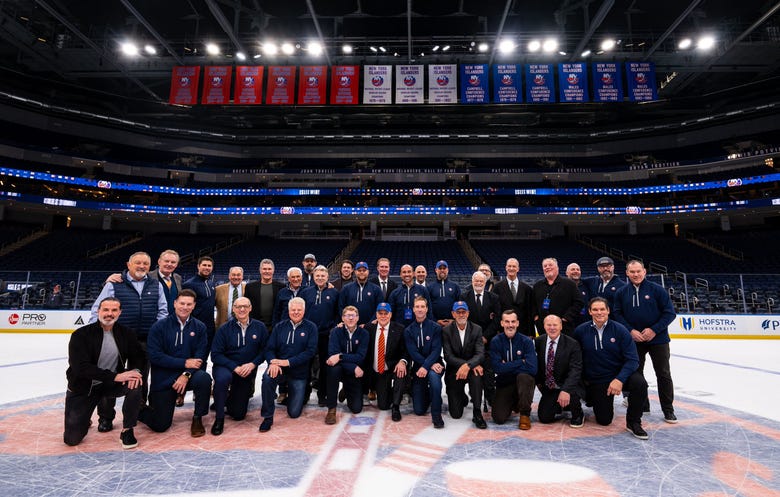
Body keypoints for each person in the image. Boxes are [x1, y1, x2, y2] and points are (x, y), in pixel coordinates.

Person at [89, 251, 167, 426]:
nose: (142, 266)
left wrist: (156, 333)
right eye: (138, 263)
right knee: (110, 376)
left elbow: (163, 311)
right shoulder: (114, 284)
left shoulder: (156, 285)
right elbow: (98, 309)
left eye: (145, 264)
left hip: (144, 340)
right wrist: (96, 334)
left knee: (140, 377)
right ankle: (106, 417)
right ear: (128, 264)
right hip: (115, 339)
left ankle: (138, 412)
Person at [63, 297, 145, 449]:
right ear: (98, 311)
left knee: (135, 384)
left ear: (120, 312)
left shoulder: (126, 333)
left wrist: (135, 371)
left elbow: (138, 356)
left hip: (111, 384)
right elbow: (80, 368)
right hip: (84, 387)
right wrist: (115, 376)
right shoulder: (81, 335)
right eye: (106, 309)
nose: (109, 313)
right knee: (71, 439)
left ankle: (127, 430)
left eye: (114, 310)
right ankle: (84, 419)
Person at [138, 289, 212, 437]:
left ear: (194, 306)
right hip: (164, 378)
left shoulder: (200, 327)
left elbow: (199, 357)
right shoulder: (159, 326)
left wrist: (186, 374)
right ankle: (138, 408)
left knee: (204, 378)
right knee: (160, 425)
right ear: (174, 303)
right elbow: (155, 356)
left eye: (189, 304)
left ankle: (198, 417)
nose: (185, 307)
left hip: (187, 376)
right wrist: (184, 363)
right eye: (182, 303)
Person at [574, 297, 649, 440]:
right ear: (589, 312)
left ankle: (633, 422)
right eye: (595, 309)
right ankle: (591, 398)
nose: (599, 312)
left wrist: (619, 379)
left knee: (640, 383)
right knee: (604, 420)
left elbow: (633, 360)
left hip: (619, 374)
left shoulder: (620, 330)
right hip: (599, 379)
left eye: (602, 309)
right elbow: (576, 358)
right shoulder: (581, 331)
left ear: (608, 310)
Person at [612, 260, 678, 423]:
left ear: (644, 272)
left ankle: (668, 410)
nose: (636, 274)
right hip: (634, 340)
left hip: (658, 339)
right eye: (632, 272)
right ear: (627, 273)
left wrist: (654, 330)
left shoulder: (657, 289)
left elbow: (670, 313)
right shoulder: (621, 292)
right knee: (636, 374)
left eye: (638, 271)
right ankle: (643, 405)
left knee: (663, 373)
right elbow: (617, 314)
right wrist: (630, 331)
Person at [210, 297, 269, 436]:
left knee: (238, 414)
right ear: (233, 309)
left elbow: (265, 350)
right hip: (226, 367)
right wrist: (234, 367)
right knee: (222, 379)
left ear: (250, 308)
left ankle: (225, 399)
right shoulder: (224, 329)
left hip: (246, 369)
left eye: (245, 306)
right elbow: (216, 355)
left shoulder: (260, 327)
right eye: (238, 307)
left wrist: (253, 364)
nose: (242, 309)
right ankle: (219, 418)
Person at [259, 297, 318, 432]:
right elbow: (269, 348)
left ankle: (295, 394)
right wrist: (273, 362)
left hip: (298, 372)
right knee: (267, 378)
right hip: (279, 368)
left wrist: (288, 362)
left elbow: (310, 352)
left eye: (299, 310)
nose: (296, 312)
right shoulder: (280, 327)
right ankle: (267, 417)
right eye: (293, 310)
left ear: (304, 311)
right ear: (289, 310)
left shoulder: (311, 327)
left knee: (294, 413)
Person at [442, 301, 486, 429]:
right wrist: (466, 365)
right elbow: (448, 356)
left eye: (463, 312)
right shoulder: (446, 330)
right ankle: (462, 396)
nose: (461, 315)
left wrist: (469, 366)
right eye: (458, 312)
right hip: (454, 371)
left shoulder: (476, 329)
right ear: (453, 314)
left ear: (468, 313)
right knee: (456, 414)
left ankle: (477, 412)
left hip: (471, 369)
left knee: (477, 375)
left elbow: (480, 353)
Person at [489, 309, 537, 429]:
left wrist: (506, 365)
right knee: (498, 418)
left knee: (524, 377)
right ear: (502, 323)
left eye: (513, 322)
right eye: (507, 321)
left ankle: (525, 414)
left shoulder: (526, 341)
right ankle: (514, 403)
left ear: (517, 323)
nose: (510, 325)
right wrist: (521, 362)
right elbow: (497, 368)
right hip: (505, 383)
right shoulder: (496, 341)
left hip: (523, 383)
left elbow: (532, 369)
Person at [300, 265, 340, 406]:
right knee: (306, 364)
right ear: (313, 277)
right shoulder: (306, 292)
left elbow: (338, 313)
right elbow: (300, 312)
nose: (320, 278)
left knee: (324, 366)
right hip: (309, 335)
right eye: (317, 276)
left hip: (326, 335)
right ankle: (304, 394)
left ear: (327, 277)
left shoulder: (334, 293)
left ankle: (322, 395)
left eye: (323, 276)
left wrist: (333, 328)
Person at [534, 314, 584, 427]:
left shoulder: (572, 344)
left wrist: (565, 390)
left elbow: (575, 370)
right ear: (544, 326)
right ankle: (557, 405)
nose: (552, 328)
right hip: (550, 386)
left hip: (568, 384)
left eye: (555, 325)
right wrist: (539, 383)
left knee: (572, 395)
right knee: (544, 418)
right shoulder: (538, 342)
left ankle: (578, 413)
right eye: (549, 325)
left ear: (561, 326)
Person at [461, 270, 501, 409]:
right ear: (472, 282)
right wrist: (476, 338)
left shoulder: (493, 297)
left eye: (481, 281)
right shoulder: (464, 297)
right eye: (476, 281)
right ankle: (473, 395)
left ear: (485, 282)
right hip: (470, 340)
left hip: (488, 340)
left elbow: (497, 319)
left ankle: (490, 397)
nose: (478, 283)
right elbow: (463, 319)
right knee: (473, 368)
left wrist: (486, 336)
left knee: (489, 370)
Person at [404, 296, 445, 429]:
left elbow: (436, 350)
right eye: (417, 307)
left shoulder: (435, 327)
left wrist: (428, 366)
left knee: (434, 379)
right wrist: (426, 365)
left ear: (427, 309)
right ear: (413, 309)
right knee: (419, 410)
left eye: (422, 306)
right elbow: (413, 353)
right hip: (418, 367)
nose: (420, 309)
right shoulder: (408, 330)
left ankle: (436, 415)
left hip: (436, 364)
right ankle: (428, 394)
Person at [362, 303, 408, 421]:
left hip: (391, 368)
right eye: (380, 313)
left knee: (401, 372)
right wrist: (341, 326)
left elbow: (405, 350)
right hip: (376, 371)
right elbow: (354, 330)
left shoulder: (399, 329)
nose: (383, 316)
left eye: (386, 313)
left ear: (390, 314)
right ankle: (387, 392)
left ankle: (396, 406)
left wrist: (402, 361)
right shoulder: (369, 328)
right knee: (383, 405)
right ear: (376, 315)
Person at [325, 306, 369, 424]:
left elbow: (360, 357)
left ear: (357, 318)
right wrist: (353, 366)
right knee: (333, 369)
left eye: (353, 315)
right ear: (343, 318)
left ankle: (346, 389)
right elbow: (332, 356)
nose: (350, 318)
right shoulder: (336, 332)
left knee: (356, 408)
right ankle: (331, 409)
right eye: (347, 316)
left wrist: (340, 357)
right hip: (345, 369)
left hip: (353, 373)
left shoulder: (364, 334)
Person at [105, 249, 182, 316]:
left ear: (176, 264)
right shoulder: (146, 276)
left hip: (173, 320)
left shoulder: (178, 278)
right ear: (159, 262)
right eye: (166, 261)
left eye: (173, 262)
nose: (169, 264)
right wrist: (108, 281)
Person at [532, 258, 584, 337]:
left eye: (550, 265)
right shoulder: (537, 286)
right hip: (543, 328)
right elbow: (532, 304)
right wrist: (536, 318)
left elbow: (579, 302)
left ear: (557, 267)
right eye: (545, 266)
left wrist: (566, 318)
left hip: (565, 328)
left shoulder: (569, 284)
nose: (547, 267)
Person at [493, 258, 534, 337]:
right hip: (503, 331)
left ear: (518, 269)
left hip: (523, 331)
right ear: (506, 268)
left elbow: (529, 312)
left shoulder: (527, 288)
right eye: (509, 266)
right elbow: (495, 311)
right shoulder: (497, 287)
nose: (511, 268)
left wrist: (531, 333)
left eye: (514, 266)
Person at [182, 256, 217, 351]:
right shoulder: (189, 284)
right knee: (193, 355)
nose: (207, 268)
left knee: (205, 354)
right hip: (195, 327)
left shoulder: (211, 283)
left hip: (210, 328)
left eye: (209, 266)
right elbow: (185, 308)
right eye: (204, 265)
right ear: (198, 266)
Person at [244, 258, 285, 330]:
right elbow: (246, 307)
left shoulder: (281, 287)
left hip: (275, 327)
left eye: (269, 269)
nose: (267, 271)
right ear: (260, 270)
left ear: (273, 270)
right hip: (255, 326)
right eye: (264, 269)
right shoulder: (250, 287)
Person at [427, 260, 461, 327]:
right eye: (440, 268)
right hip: (435, 324)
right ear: (436, 270)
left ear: (447, 270)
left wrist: (454, 319)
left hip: (452, 324)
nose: (442, 270)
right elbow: (428, 307)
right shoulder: (430, 287)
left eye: (444, 268)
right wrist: (435, 321)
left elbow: (459, 305)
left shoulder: (455, 286)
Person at [566, 262, 589, 326]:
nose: (576, 271)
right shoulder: (562, 285)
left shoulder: (586, 285)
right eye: (573, 269)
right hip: (568, 323)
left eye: (578, 270)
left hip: (584, 323)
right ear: (567, 273)